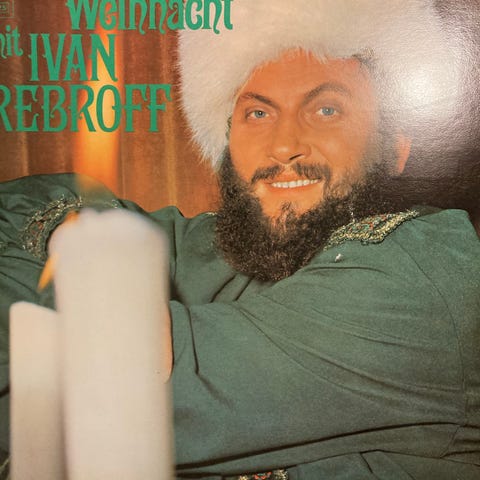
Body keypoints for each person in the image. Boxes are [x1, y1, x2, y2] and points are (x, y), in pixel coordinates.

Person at [0, 1, 479, 478]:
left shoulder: (422, 281)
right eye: (258, 113)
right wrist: (78, 245)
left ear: (396, 148)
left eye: (326, 109)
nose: (284, 146)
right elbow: (18, 211)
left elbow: (85, 406)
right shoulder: (266, 244)